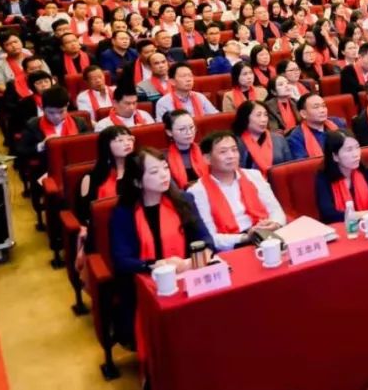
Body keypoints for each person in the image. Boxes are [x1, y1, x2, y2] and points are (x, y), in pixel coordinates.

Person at [109, 147, 214, 345]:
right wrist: (157, 264)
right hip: (145, 284)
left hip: (187, 274)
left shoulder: (183, 200)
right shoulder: (124, 213)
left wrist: (199, 258)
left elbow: (206, 239)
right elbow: (122, 260)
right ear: (137, 181)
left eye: (165, 168)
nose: (164, 175)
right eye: (154, 172)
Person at [189, 131, 286, 252]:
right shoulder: (198, 192)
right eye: (223, 152)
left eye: (234, 150)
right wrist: (245, 237)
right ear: (207, 159)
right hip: (234, 246)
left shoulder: (254, 176)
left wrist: (275, 223)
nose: (231, 156)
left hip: (266, 235)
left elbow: (275, 210)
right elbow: (211, 237)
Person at [315, 130, 368, 224]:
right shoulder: (323, 177)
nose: (356, 154)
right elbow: (329, 215)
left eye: (357, 147)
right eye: (349, 150)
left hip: (367, 225)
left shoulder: (365, 170)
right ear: (335, 156)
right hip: (342, 228)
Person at [76, 125, 134, 227]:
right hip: (103, 228)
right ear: (106, 146)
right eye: (120, 140)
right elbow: (84, 214)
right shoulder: (91, 177)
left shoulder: (140, 171)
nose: (127, 143)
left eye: (129, 139)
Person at [232, 101, 292, 175]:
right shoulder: (235, 142)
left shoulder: (279, 139)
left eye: (265, 115)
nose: (264, 120)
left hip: (279, 180)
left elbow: (290, 167)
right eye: (258, 115)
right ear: (245, 118)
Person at [286, 93, 348, 159]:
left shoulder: (337, 123)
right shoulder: (296, 138)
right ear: (303, 114)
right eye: (316, 107)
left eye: (323, 106)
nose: (322, 110)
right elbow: (305, 163)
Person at [162, 109, 206, 187]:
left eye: (191, 127)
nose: (189, 132)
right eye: (182, 129)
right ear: (169, 132)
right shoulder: (164, 158)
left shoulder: (205, 150)